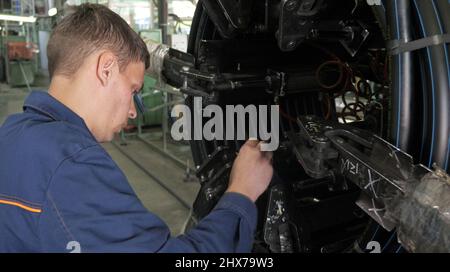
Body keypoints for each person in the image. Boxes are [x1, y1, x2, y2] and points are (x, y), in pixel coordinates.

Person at [0, 4, 273, 253]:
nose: (133, 110)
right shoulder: (73, 163)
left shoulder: (11, 134)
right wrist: (242, 192)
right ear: (105, 69)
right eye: (133, 90)